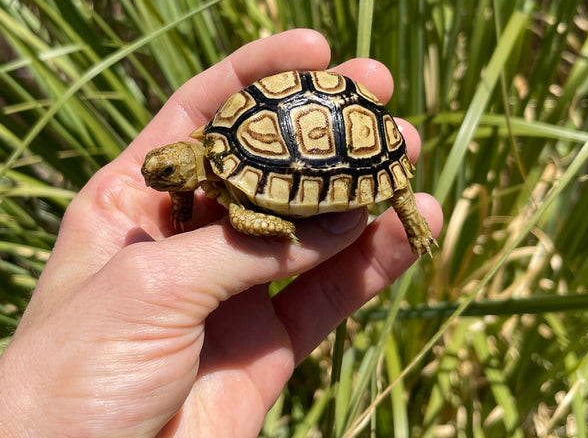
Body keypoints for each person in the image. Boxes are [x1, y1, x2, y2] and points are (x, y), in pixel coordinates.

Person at [0, 30, 443, 438]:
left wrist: (271, 224)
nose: (158, 180)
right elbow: (194, 187)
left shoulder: (223, 175)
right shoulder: (206, 162)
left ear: (192, 162)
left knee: (373, 196)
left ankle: (406, 208)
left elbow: (243, 214)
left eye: (169, 174)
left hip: (343, 142)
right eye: (161, 173)